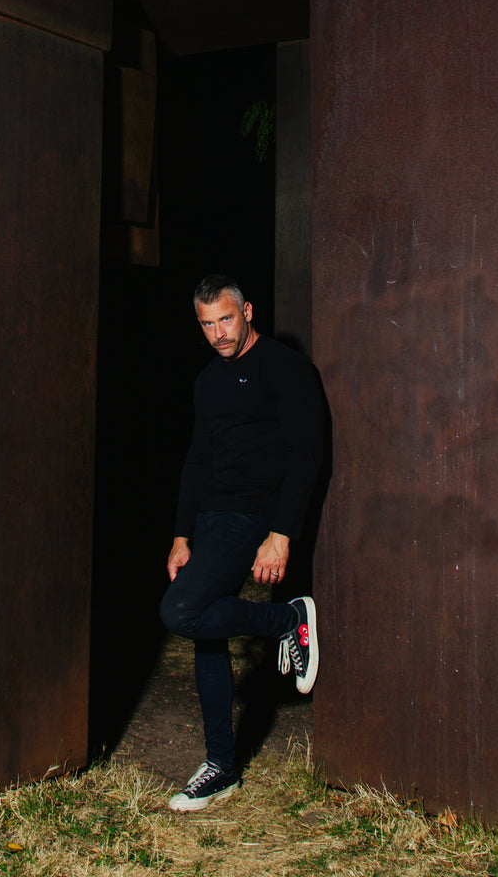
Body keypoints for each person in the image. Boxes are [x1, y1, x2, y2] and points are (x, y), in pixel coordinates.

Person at [160, 274, 325, 812]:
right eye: (207, 324)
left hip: (252, 515)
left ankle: (286, 620)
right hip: (210, 518)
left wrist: (281, 534)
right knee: (205, 633)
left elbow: (306, 453)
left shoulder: (286, 368)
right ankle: (221, 766)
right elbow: (197, 459)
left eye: (226, 319)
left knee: (180, 611)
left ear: (248, 311)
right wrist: (181, 535)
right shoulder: (207, 380)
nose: (219, 334)